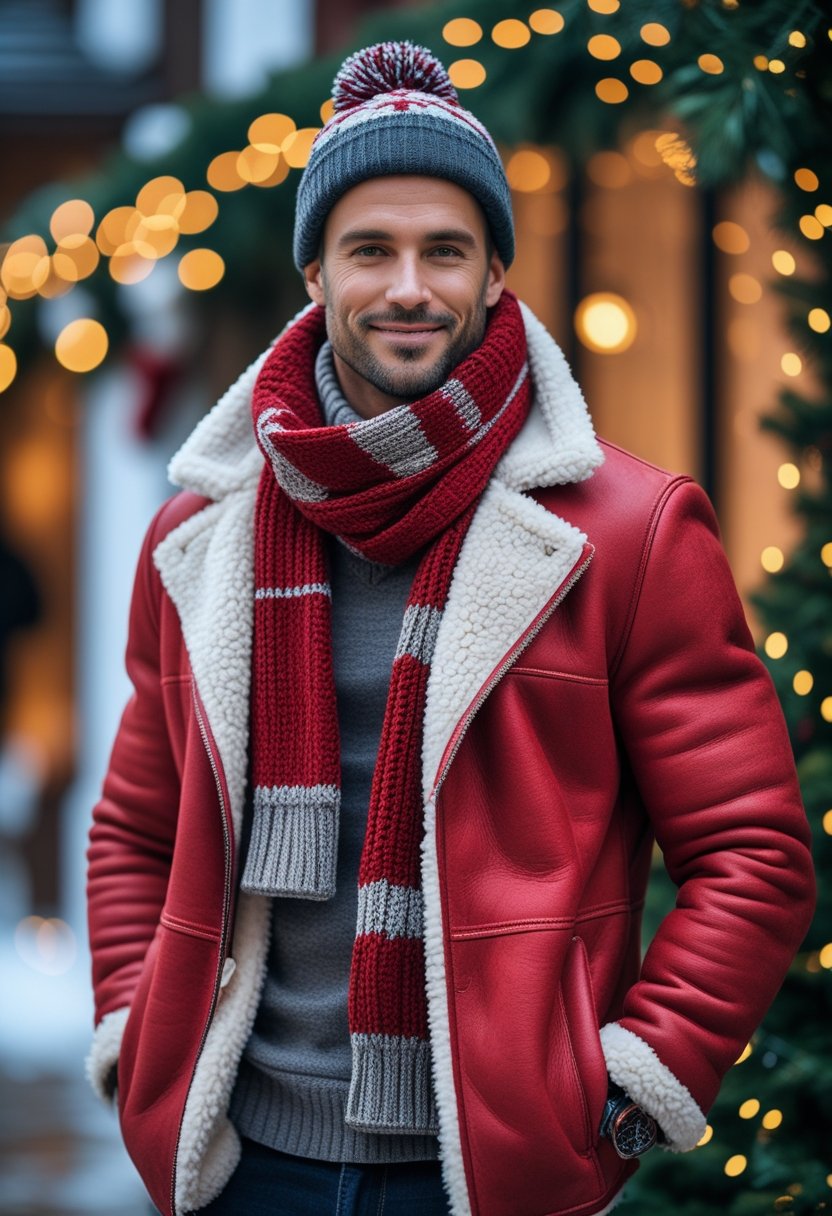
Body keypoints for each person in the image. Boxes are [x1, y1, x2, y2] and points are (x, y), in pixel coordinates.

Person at [85, 40, 815, 1216]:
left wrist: (636, 1076)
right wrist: (135, 1032)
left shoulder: (627, 533)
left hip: (490, 1165)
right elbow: (134, 824)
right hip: (238, 1156)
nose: (408, 287)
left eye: (446, 251)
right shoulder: (201, 534)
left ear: (491, 279)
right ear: (316, 276)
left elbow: (752, 854)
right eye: (369, 250)